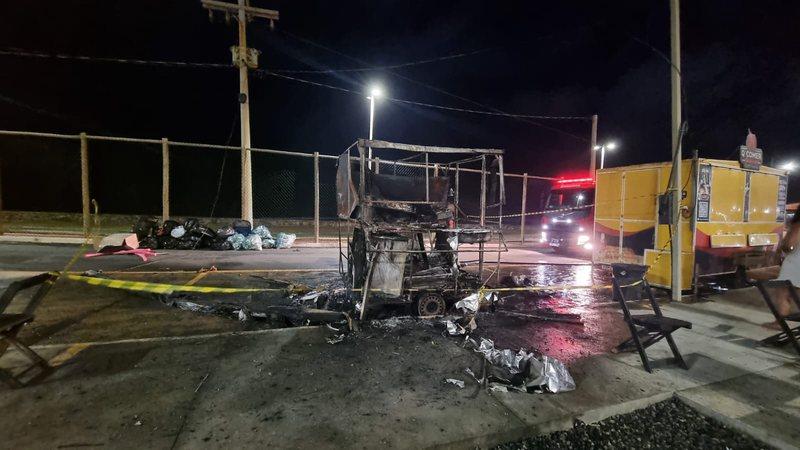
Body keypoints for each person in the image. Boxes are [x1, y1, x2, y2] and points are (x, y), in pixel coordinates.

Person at [768, 211, 800, 328]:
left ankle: (780, 323)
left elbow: (788, 244)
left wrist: (787, 250)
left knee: (783, 291)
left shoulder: (797, 225)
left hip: (796, 263)